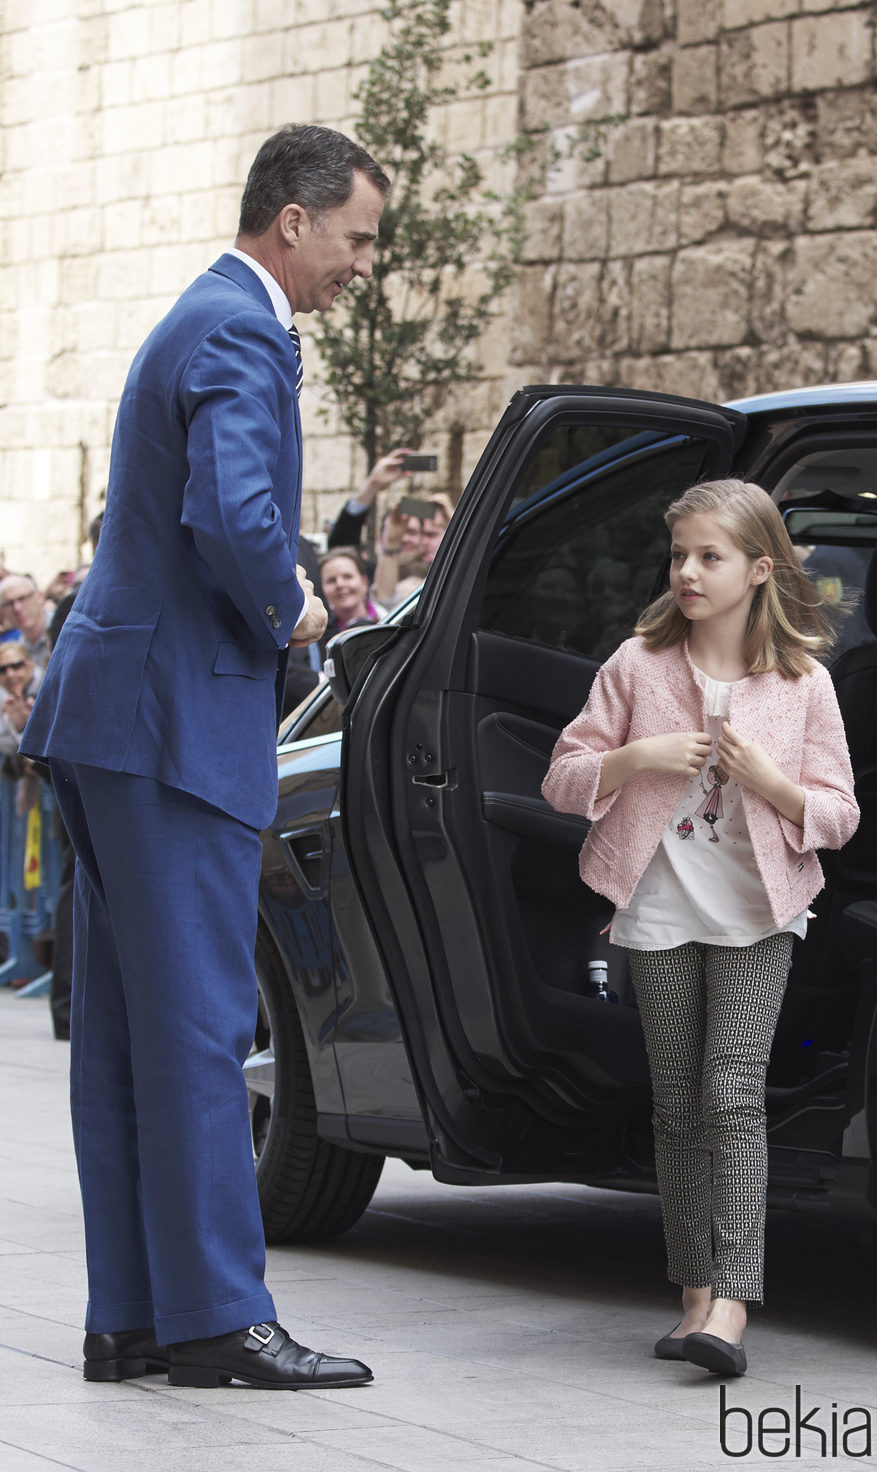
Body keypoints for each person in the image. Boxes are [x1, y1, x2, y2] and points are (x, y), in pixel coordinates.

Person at [21, 124, 390, 1390]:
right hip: (172, 717)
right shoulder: (240, 328)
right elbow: (235, 520)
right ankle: (220, 1316)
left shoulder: (197, 317)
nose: (362, 265)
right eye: (357, 237)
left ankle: (132, 1312)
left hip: (113, 714)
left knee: (128, 1028)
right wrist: (293, 603)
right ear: (290, 221)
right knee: (197, 1025)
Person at [542, 479, 858, 1378]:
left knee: (731, 1092)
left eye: (709, 557)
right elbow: (563, 778)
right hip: (658, 909)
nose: (687, 571)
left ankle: (733, 1297)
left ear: (760, 570)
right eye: (678, 555)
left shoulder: (804, 684)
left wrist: (770, 781)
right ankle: (691, 1296)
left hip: (762, 911)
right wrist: (633, 757)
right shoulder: (637, 666)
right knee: (677, 1105)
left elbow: (839, 814)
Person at [319, 547, 381, 637]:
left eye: (347, 577)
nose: (340, 584)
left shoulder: (390, 617)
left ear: (365, 582)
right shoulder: (319, 636)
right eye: (331, 580)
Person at [0, 639, 42, 756]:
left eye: (16, 666)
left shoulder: (46, 688)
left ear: (30, 665)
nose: (10, 674)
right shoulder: (8, 699)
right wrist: (20, 727)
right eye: (2, 670)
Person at [0, 574, 51, 668]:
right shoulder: (17, 652)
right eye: (10, 603)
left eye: (22, 598)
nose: (17, 608)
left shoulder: (64, 629)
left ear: (39, 596)